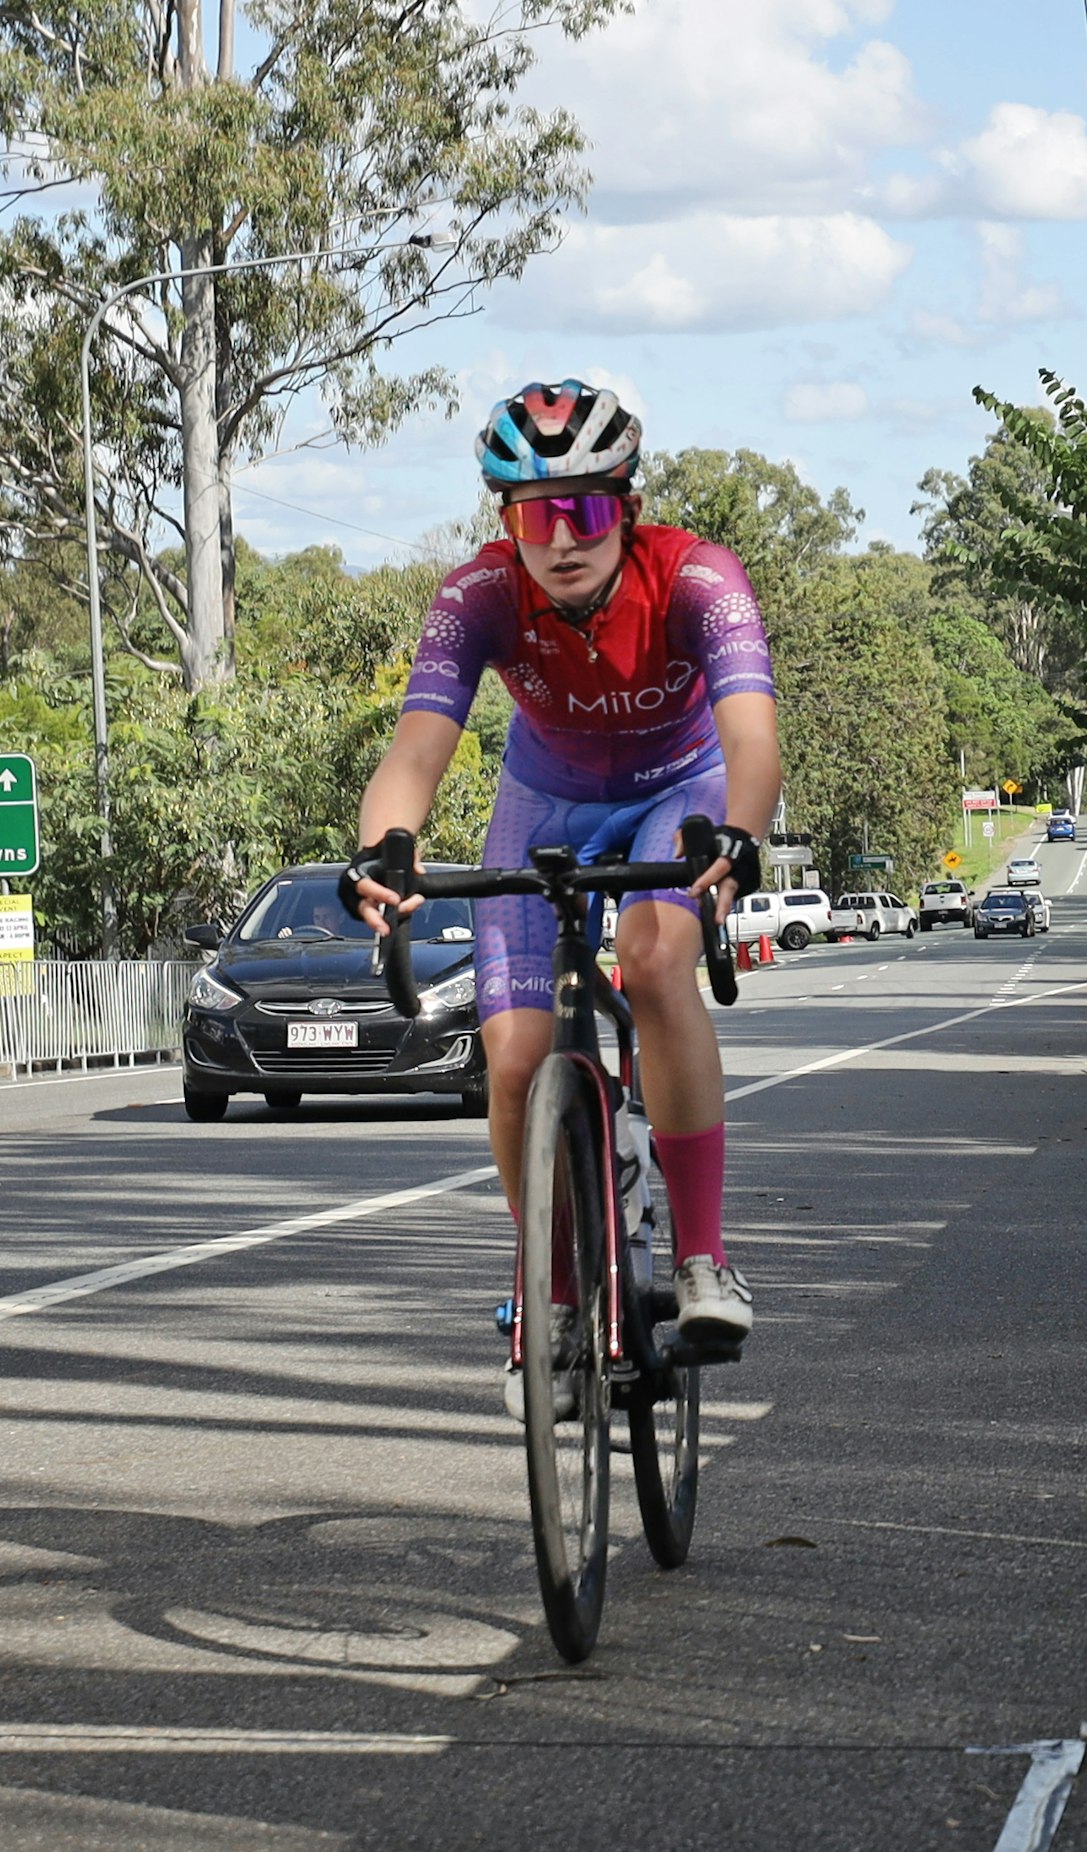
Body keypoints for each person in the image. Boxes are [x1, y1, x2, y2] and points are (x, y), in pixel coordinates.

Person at [345, 380, 776, 1414]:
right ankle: (558, 1290)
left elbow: (752, 737)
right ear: (506, 523)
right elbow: (415, 750)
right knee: (514, 1061)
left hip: (682, 792)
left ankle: (707, 1257)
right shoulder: (477, 595)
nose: (561, 538)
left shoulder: (698, 579)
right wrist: (382, 852)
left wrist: (742, 835)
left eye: (584, 508)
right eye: (535, 515)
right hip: (543, 806)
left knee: (660, 957)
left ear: (625, 506)